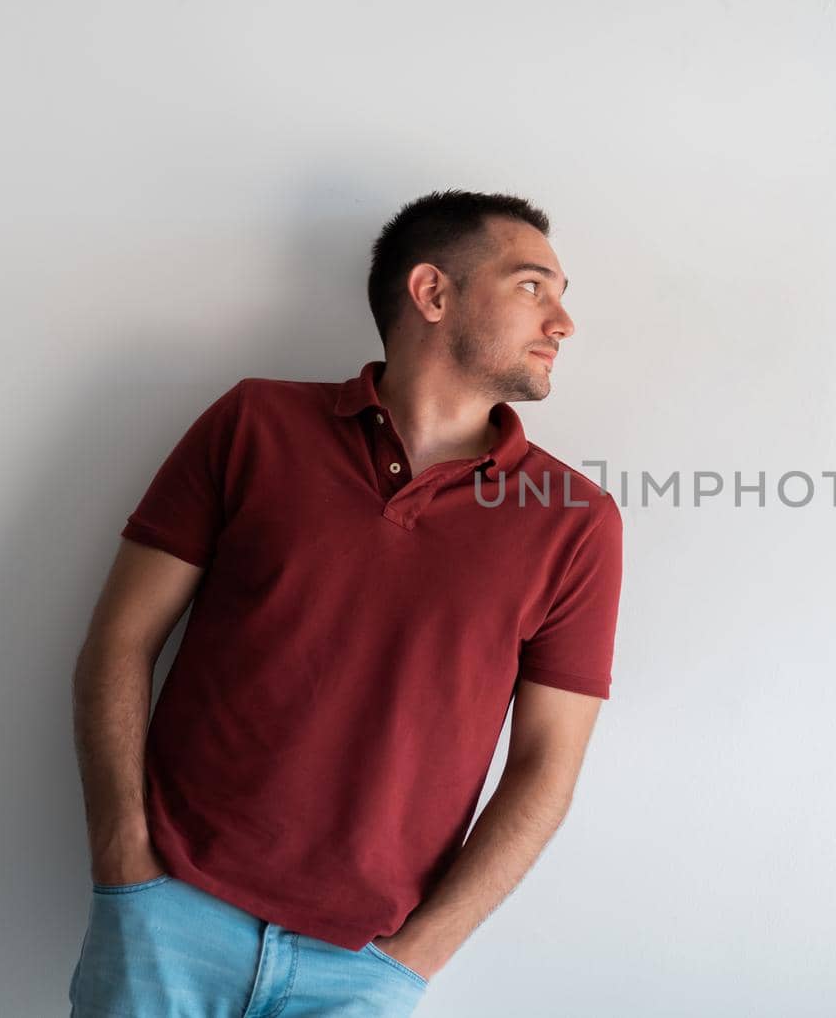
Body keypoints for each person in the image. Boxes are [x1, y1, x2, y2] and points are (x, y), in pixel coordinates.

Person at [67, 190, 624, 1016]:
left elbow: (546, 768)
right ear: (432, 293)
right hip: (170, 918)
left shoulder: (576, 522)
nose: (563, 322)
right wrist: (124, 858)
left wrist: (411, 959)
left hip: (360, 967)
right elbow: (120, 639)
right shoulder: (253, 423)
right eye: (533, 287)